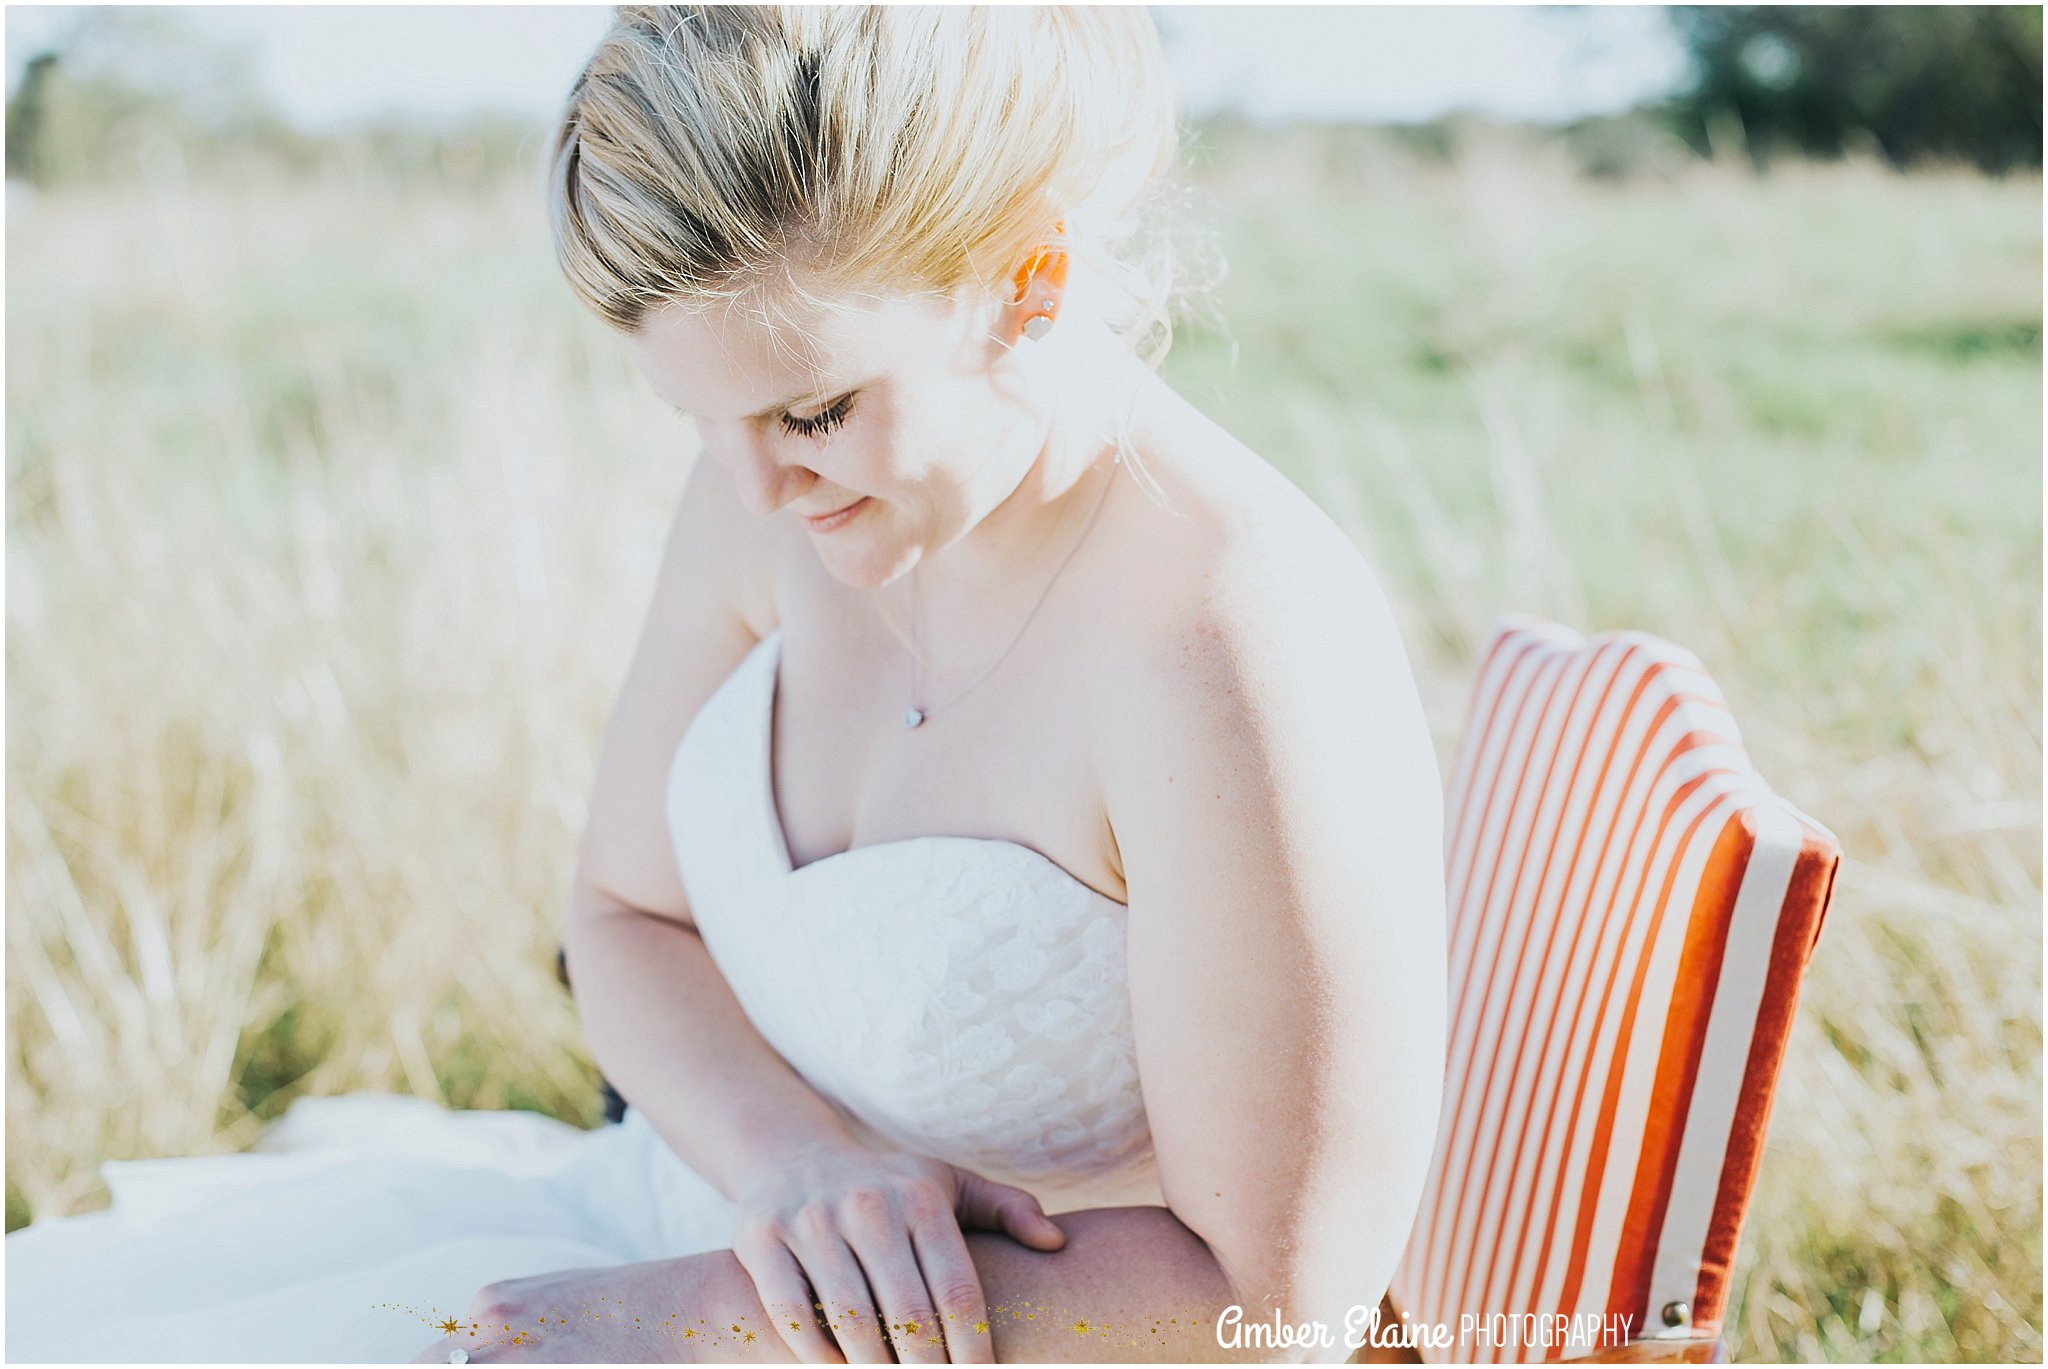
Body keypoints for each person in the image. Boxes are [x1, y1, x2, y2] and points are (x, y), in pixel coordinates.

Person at [5, 7, 1448, 1363]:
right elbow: (624, 914)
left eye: (813, 410)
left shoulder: (1228, 642)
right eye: (699, 419)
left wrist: (712, 1319)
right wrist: (793, 1159)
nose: (756, 484)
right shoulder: (768, 490)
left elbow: (1287, 1307)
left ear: (1031, 279)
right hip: (664, 1211)